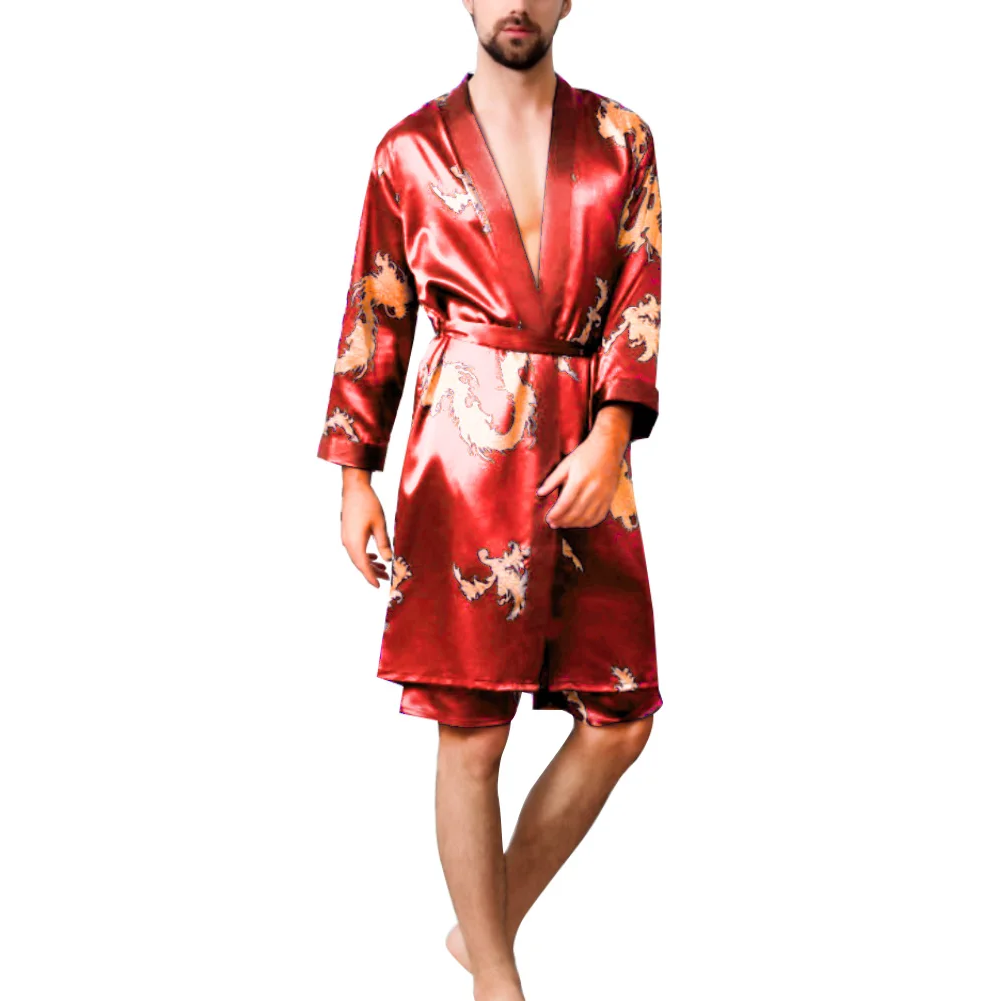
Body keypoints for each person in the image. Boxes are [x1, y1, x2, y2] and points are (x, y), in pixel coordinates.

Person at [317, 2, 663, 998]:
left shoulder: (621, 140)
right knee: (471, 729)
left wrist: (610, 433)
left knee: (619, 715)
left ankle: (482, 932)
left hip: (585, 455)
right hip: (459, 462)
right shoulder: (408, 150)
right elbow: (376, 307)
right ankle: (496, 981)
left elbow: (637, 294)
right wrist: (354, 475)